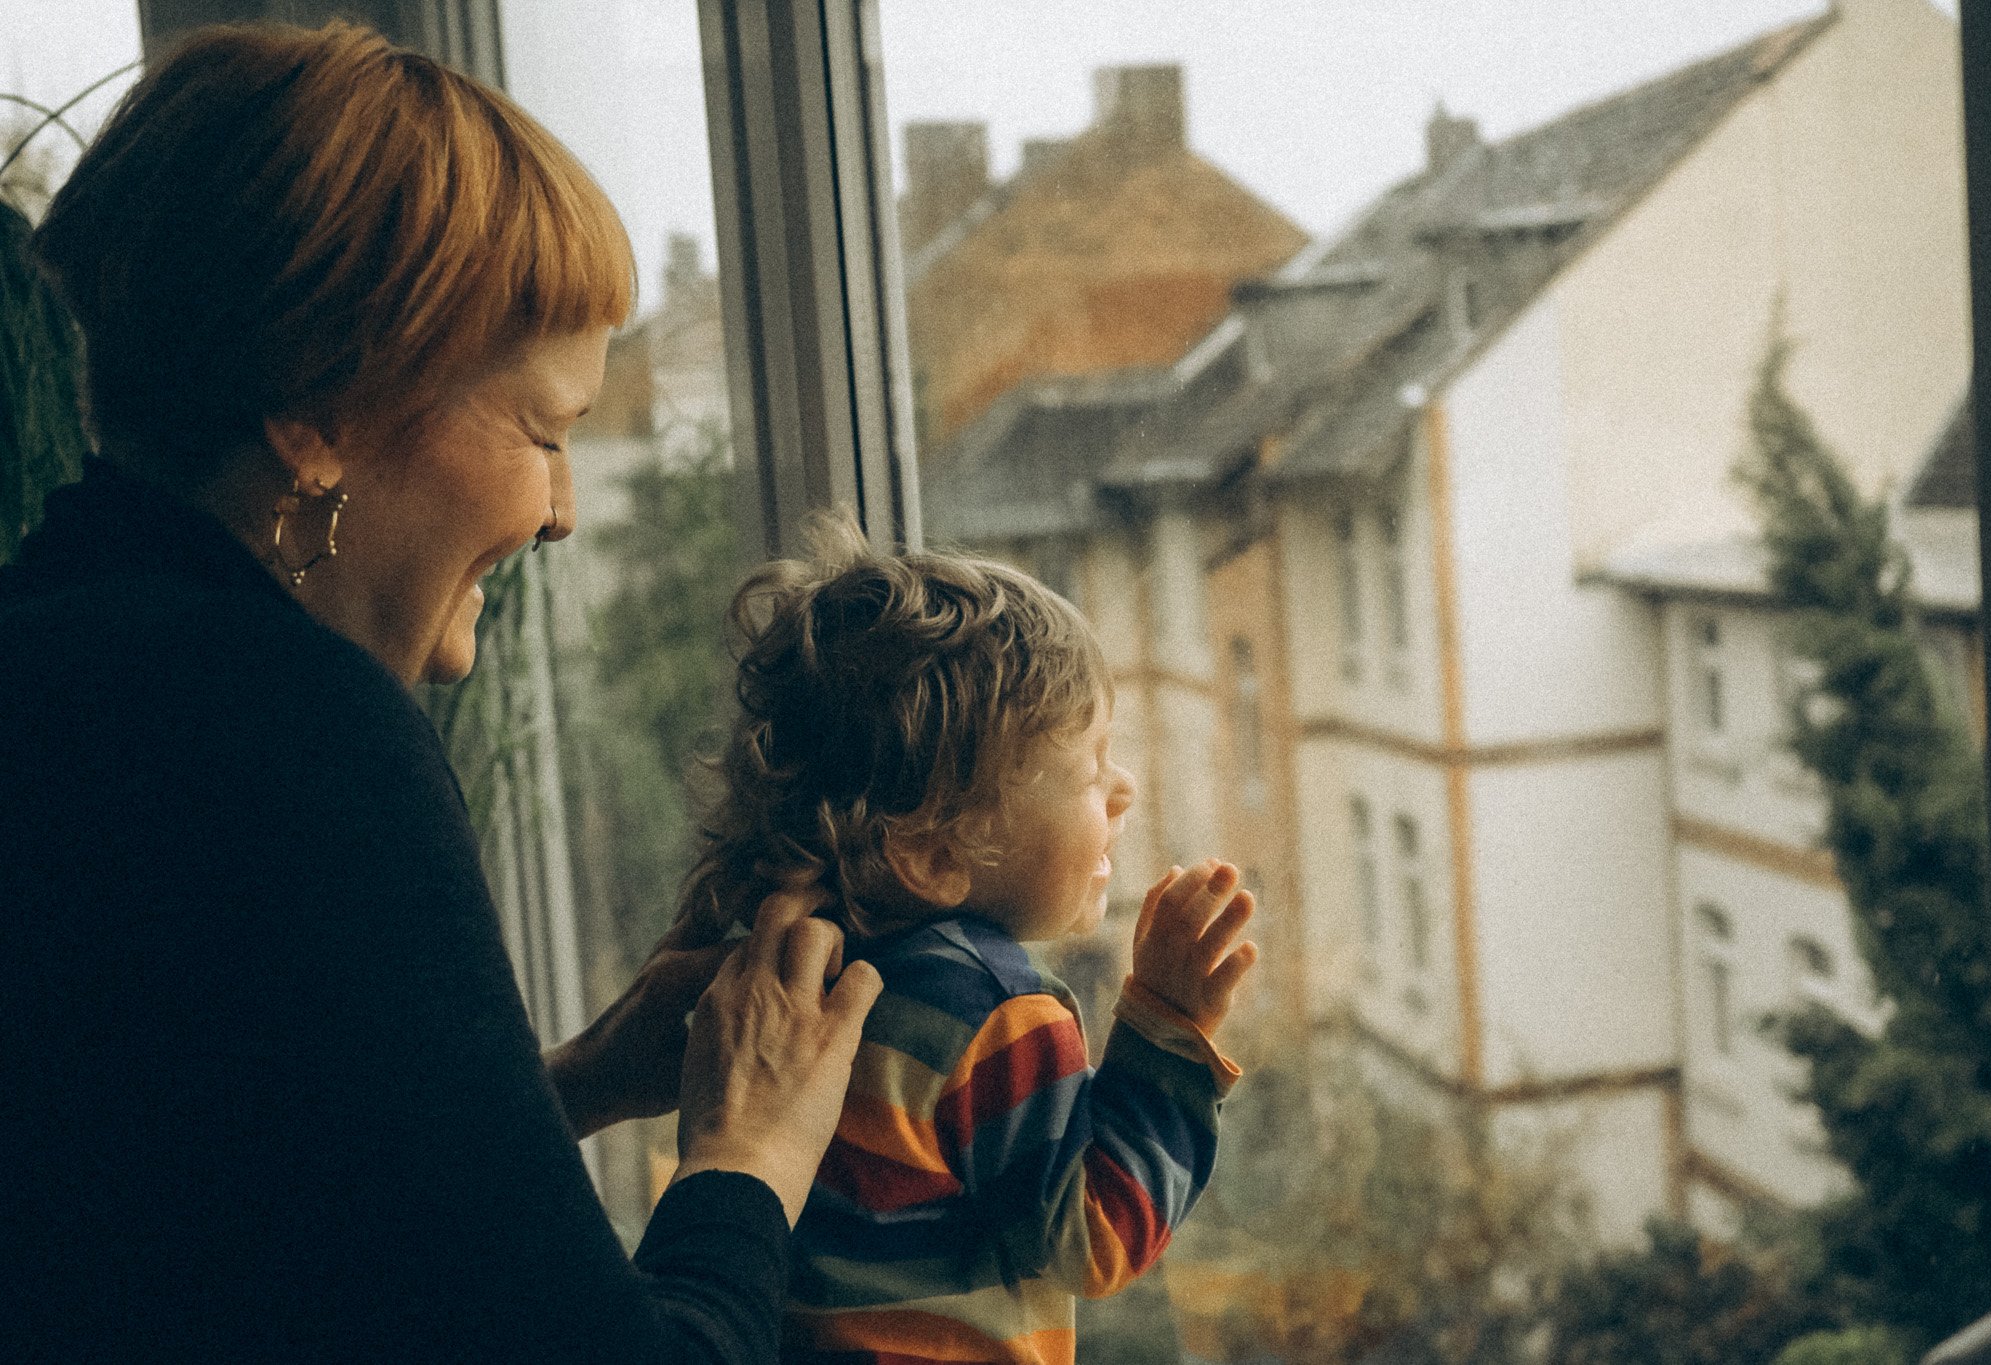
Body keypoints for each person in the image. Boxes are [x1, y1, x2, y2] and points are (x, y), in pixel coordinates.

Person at [0, 21, 880, 1362]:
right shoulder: (286, 731)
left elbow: (211, 1227)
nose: (562, 512)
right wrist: (747, 1147)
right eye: (542, 431)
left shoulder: (60, 670)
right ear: (319, 409)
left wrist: (563, 1092)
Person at [674, 520, 1259, 1365]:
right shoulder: (996, 1014)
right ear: (933, 851)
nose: (1123, 787)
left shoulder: (802, 979)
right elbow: (1094, 1237)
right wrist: (1166, 1023)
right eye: (1091, 770)